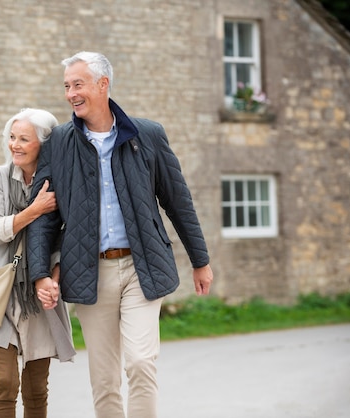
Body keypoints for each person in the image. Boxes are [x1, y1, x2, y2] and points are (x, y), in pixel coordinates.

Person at [27, 51, 214, 418]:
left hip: (140, 266)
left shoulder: (147, 135)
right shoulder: (59, 143)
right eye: (66, 86)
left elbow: (178, 201)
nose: (70, 94)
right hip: (89, 272)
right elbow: (43, 217)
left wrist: (200, 260)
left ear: (103, 84)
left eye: (77, 84)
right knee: (105, 378)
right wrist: (39, 273)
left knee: (142, 363)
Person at [0, 108, 76, 418]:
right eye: (11, 137)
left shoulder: (59, 184)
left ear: (43, 145)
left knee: (36, 390)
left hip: (39, 296)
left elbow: (64, 239)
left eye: (23, 139)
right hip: (0, 296)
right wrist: (34, 210)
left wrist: (54, 279)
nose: (14, 145)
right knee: (4, 383)